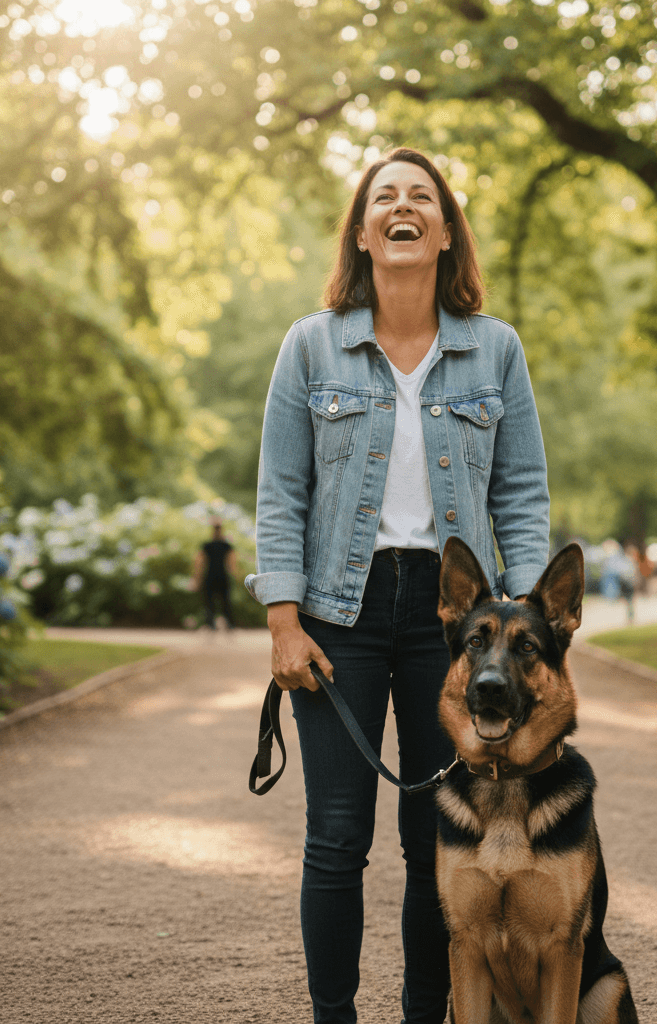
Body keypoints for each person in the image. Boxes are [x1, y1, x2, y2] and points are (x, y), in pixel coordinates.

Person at [245, 148, 550, 1024]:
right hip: (339, 614)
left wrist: (522, 624)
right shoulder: (312, 343)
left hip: (456, 628)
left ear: (446, 233)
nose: (404, 206)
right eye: (387, 197)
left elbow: (522, 492)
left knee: (435, 843)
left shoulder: (496, 349)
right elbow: (281, 490)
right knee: (337, 839)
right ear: (365, 231)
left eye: (423, 196)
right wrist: (283, 619)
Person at [191, 519, 236, 628]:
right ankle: (228, 625)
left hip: (211, 575)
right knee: (225, 602)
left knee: (211, 602)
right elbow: (232, 564)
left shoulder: (207, 545)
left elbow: (199, 563)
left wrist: (197, 578)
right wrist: (235, 575)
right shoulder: (226, 545)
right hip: (222, 576)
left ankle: (212, 625)